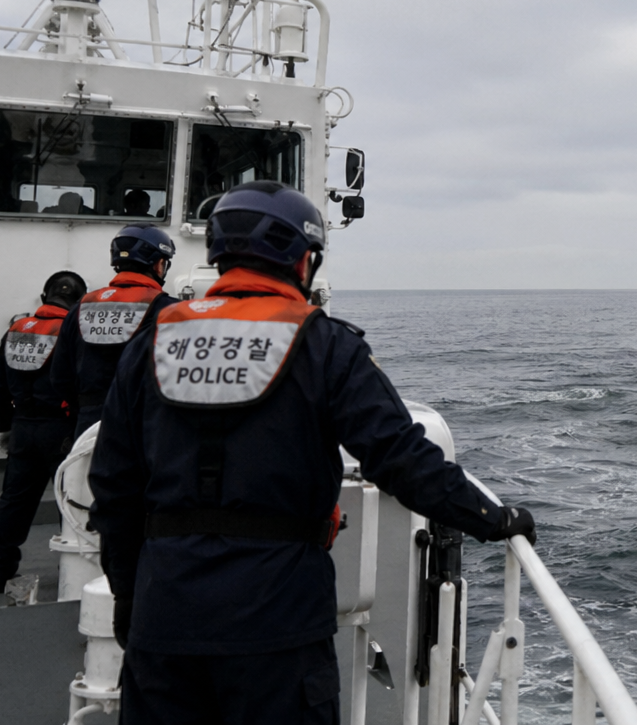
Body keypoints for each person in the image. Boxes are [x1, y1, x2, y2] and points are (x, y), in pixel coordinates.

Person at [88, 181, 537, 723]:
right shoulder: (325, 345)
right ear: (302, 260)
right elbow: (400, 458)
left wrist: (130, 602)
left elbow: (113, 484)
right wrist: (493, 518)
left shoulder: (152, 340)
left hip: (165, 615)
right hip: (277, 619)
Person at [0, 269, 88, 592]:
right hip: (61, 430)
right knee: (70, 501)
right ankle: (73, 573)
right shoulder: (72, 331)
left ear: (44, 297)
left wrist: (5, 427)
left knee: (14, 502)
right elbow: (79, 383)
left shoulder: (16, 329)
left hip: (22, 429)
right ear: (79, 302)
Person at [52, 224, 179, 439]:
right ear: (158, 265)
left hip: (89, 424)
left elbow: (60, 377)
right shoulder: (169, 310)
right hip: (145, 423)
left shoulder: (81, 307)